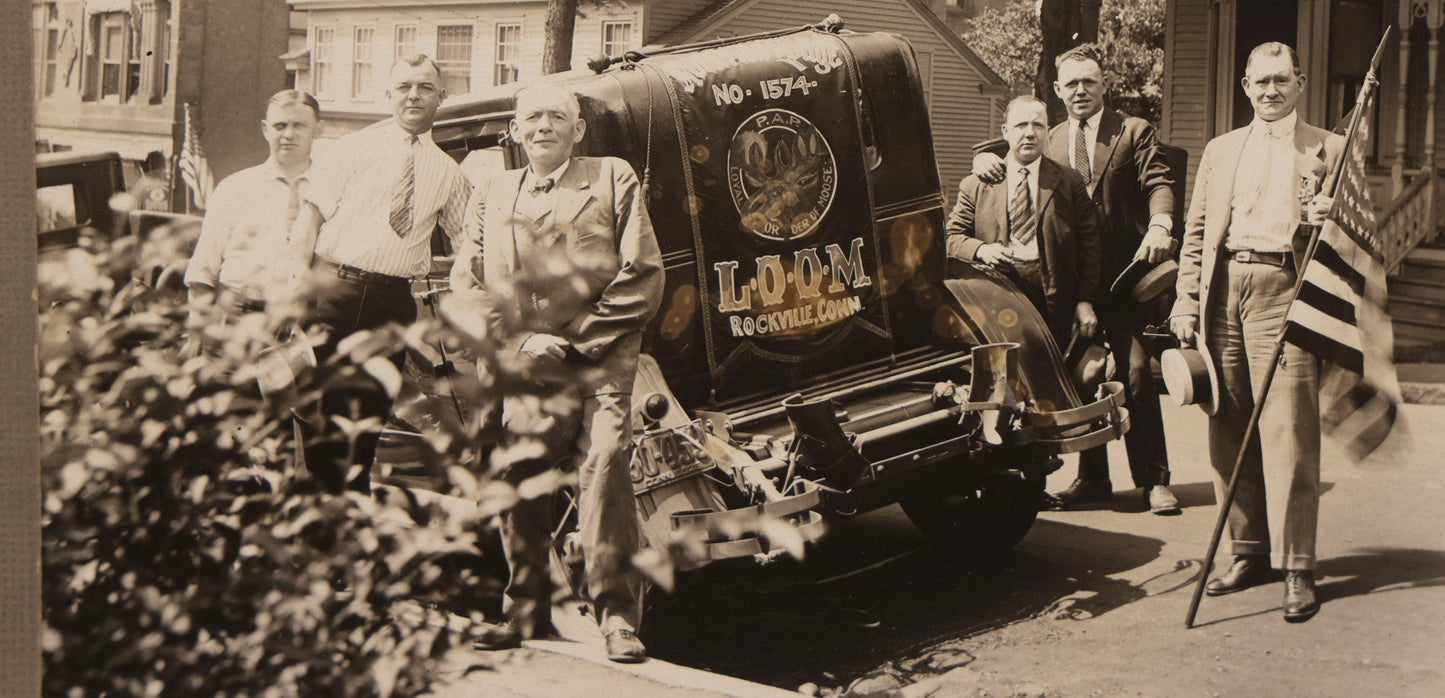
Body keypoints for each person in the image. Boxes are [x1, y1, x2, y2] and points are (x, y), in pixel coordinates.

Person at [452, 83, 663, 662]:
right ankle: (525, 612)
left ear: (579, 129)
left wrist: (575, 344)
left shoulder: (612, 177)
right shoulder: (491, 192)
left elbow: (642, 273)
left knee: (604, 466)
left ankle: (617, 617)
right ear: (515, 131)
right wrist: (522, 339)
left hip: (600, 359)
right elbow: (466, 283)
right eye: (531, 117)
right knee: (521, 470)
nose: (543, 125)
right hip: (523, 358)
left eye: (556, 116)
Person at [1170, 42, 1342, 623]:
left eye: (1280, 80)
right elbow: (1195, 233)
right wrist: (1186, 303)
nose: (1269, 91)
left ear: (1299, 82)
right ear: (1244, 86)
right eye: (1259, 82)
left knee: (1290, 431)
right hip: (1224, 291)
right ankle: (1249, 553)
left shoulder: (1329, 148)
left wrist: (1329, 222)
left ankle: (1297, 566)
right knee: (1228, 422)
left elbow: (1360, 247)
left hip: (1284, 290)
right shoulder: (1221, 150)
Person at [972, 45, 1181, 515]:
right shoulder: (1049, 134)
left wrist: (1161, 224)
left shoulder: (1132, 132)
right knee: (1080, 376)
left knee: (1134, 373)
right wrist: (980, 164)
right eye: (1071, 84)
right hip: (1067, 286)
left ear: (1104, 84)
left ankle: (1154, 480)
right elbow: (1006, 159)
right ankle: (1093, 477)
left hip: (1124, 280)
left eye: (1089, 81)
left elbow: (1159, 184)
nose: (1080, 90)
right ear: (1058, 90)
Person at [290, 54, 471, 493]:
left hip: (392, 304)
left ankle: (353, 523)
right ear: (387, 95)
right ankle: (319, 527)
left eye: (425, 88)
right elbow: (308, 222)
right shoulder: (352, 148)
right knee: (322, 424)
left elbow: (469, 242)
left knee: (369, 424)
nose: (414, 96)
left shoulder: (448, 171)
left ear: (442, 98)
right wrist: (295, 291)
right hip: (334, 291)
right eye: (404, 86)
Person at [947, 95, 1100, 354]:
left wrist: (1085, 300)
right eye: (1021, 125)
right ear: (1006, 131)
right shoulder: (978, 184)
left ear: (1048, 132)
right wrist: (982, 249)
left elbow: (1092, 245)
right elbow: (951, 238)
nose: (1030, 133)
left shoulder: (1069, 182)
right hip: (998, 294)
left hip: (1054, 297)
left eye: (1038, 125)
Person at [183, 89, 321, 356]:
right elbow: (203, 270)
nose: (288, 134)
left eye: (299, 125)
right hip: (234, 322)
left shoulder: (331, 191)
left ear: (318, 130)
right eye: (279, 125)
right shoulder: (235, 188)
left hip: (298, 329)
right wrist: (195, 335)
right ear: (265, 129)